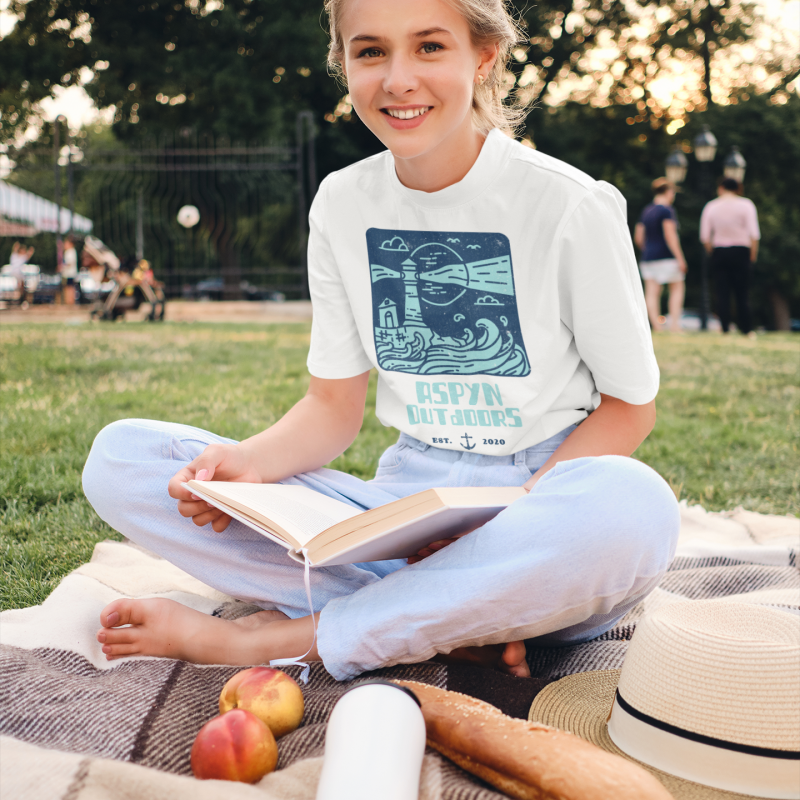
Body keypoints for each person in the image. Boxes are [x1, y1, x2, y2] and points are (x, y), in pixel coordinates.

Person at [82, 0, 680, 682]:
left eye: (429, 47)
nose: (398, 79)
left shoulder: (570, 204)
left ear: (483, 55)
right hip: (399, 522)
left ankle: (275, 640)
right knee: (124, 458)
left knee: (636, 506)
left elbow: (631, 407)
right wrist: (240, 467)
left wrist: (503, 525)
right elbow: (333, 408)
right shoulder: (342, 203)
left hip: (541, 517)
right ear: (344, 62)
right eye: (370, 52)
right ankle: (445, 622)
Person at [700, 177, 760, 335]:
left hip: (720, 251)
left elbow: (705, 236)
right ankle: (746, 329)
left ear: (721, 188)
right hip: (741, 250)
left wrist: (712, 252)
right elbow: (754, 234)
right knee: (742, 292)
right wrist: (752, 255)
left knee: (722, 293)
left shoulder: (711, 206)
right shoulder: (746, 205)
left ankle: (725, 327)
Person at [634, 178, 687, 333]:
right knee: (676, 288)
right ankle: (675, 325)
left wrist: (647, 249)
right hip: (666, 257)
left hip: (648, 257)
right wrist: (680, 258)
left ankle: (656, 326)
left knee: (651, 292)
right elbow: (670, 236)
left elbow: (638, 237)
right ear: (669, 192)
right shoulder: (666, 210)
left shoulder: (646, 211)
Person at [59, 236, 78, 305]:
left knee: (69, 288)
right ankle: (69, 302)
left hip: (70, 273)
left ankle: (70, 302)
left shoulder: (70, 252)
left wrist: (61, 267)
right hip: (69, 273)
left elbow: (69, 263)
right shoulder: (70, 251)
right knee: (68, 287)